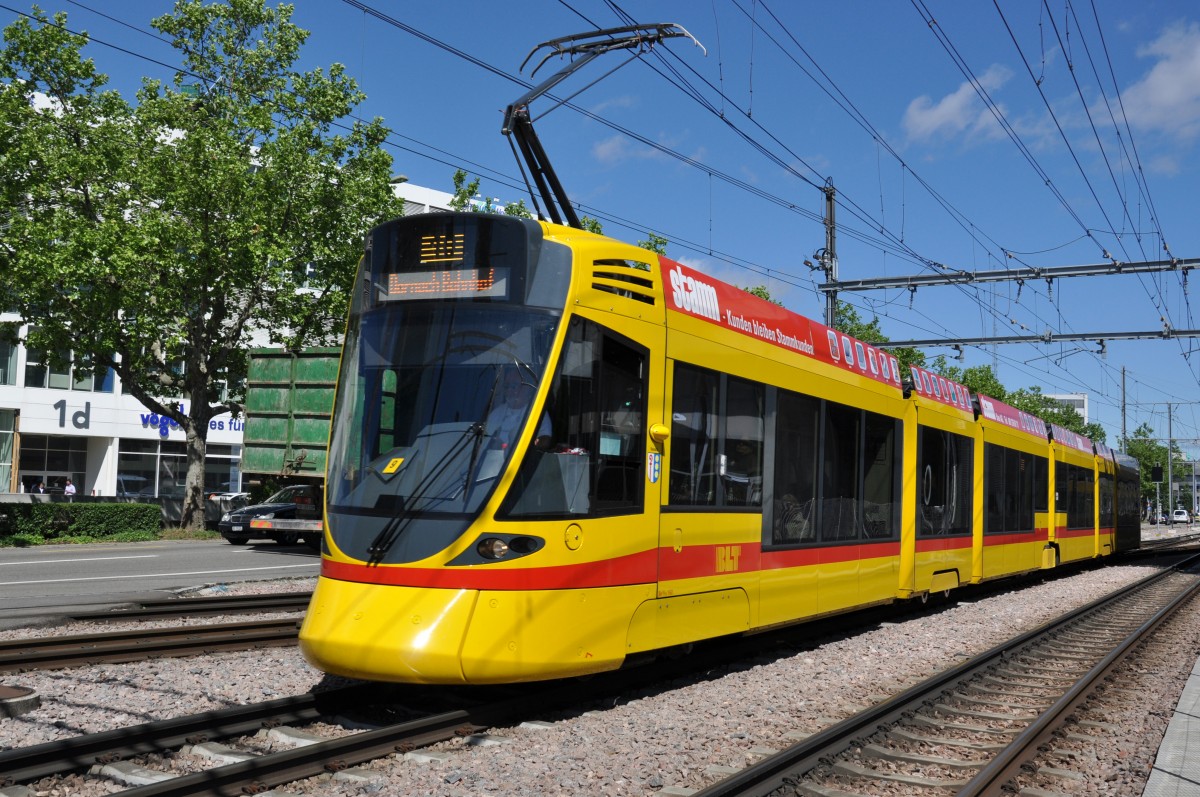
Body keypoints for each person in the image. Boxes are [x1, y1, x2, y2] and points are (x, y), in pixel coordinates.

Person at [487, 368, 550, 449]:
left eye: (514, 386)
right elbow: (486, 438)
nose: (509, 390)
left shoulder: (536, 412)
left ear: (527, 388)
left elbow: (545, 440)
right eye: (507, 386)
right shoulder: (497, 413)